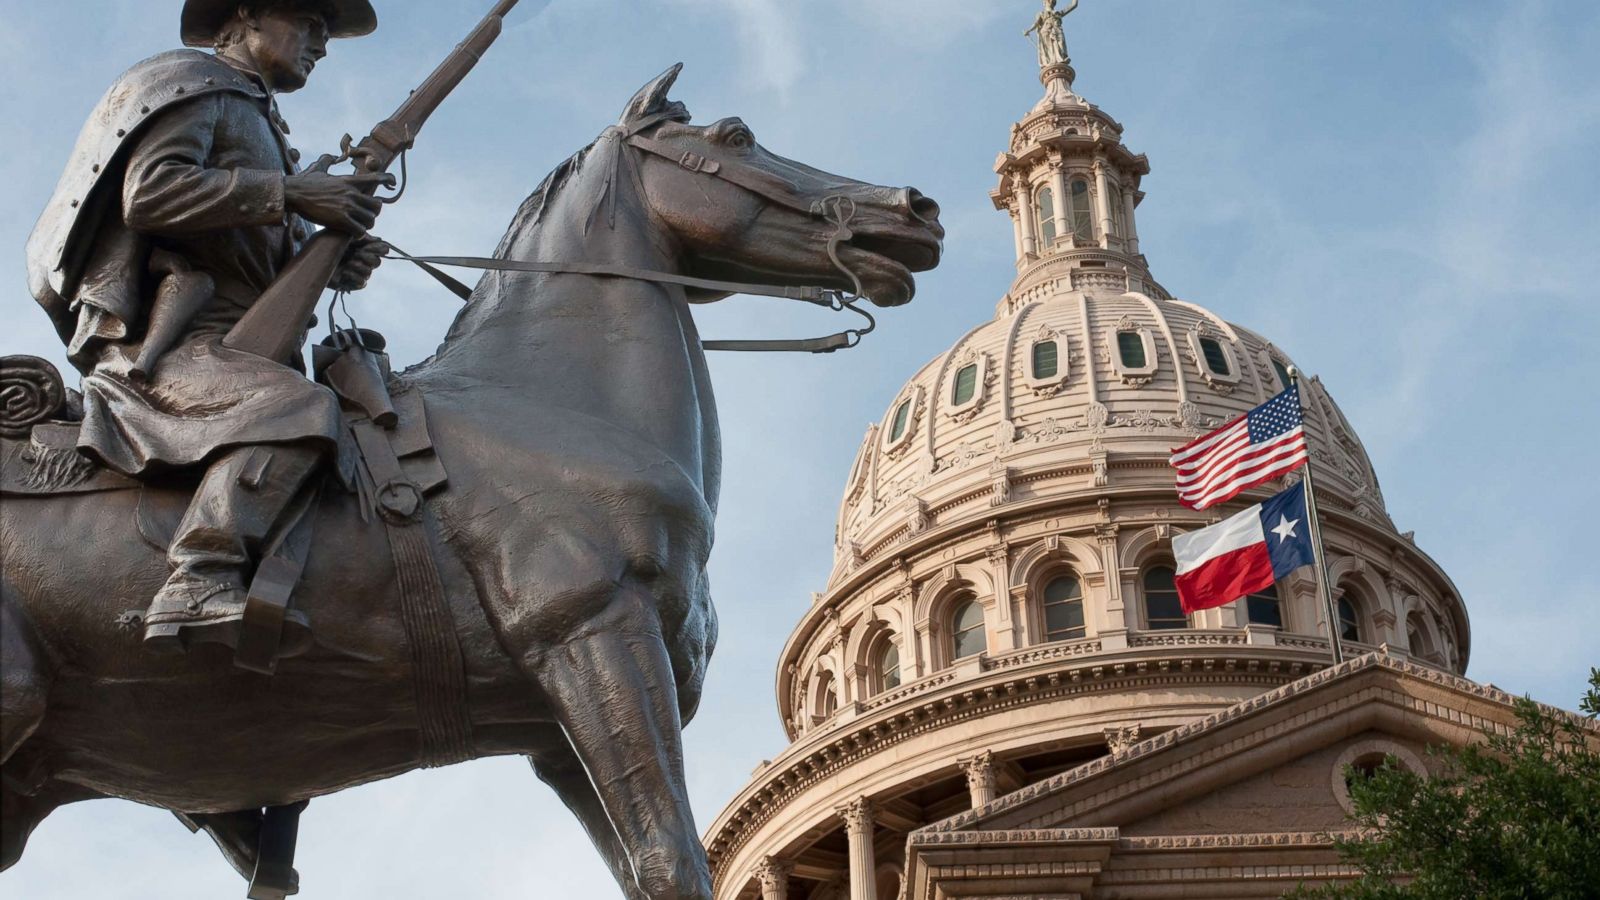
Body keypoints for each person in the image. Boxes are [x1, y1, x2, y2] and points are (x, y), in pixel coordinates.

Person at [25, 0, 387, 656]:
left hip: (241, 347)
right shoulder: (197, 85)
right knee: (296, 407)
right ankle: (200, 575)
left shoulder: (262, 124)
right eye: (311, 23)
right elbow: (151, 194)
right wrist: (291, 195)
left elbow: (261, 261)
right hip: (171, 348)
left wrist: (336, 255)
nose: (323, 46)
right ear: (247, 13)